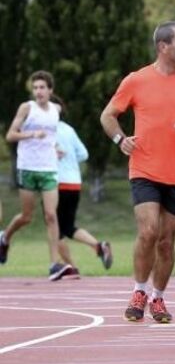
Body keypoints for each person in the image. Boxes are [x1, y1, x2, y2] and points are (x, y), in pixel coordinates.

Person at [101, 21, 175, 324]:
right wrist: (120, 139)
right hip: (144, 168)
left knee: (166, 241)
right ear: (163, 47)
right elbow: (108, 115)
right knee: (148, 231)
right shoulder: (136, 80)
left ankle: (158, 297)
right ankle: (139, 291)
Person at [1, 71, 74, 280]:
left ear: (50, 90)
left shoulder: (55, 110)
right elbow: (10, 135)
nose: (38, 92)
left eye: (42, 87)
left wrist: (56, 147)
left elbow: (51, 136)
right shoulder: (27, 108)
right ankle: (5, 238)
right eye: (35, 88)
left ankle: (54, 264)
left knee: (51, 215)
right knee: (26, 216)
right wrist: (32, 134)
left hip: (49, 168)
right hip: (28, 167)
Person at [55, 113, 114, 277]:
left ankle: (71, 267)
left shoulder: (46, 130)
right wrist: (69, 160)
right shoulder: (69, 129)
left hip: (57, 182)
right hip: (74, 183)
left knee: (55, 229)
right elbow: (83, 154)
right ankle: (98, 246)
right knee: (68, 227)